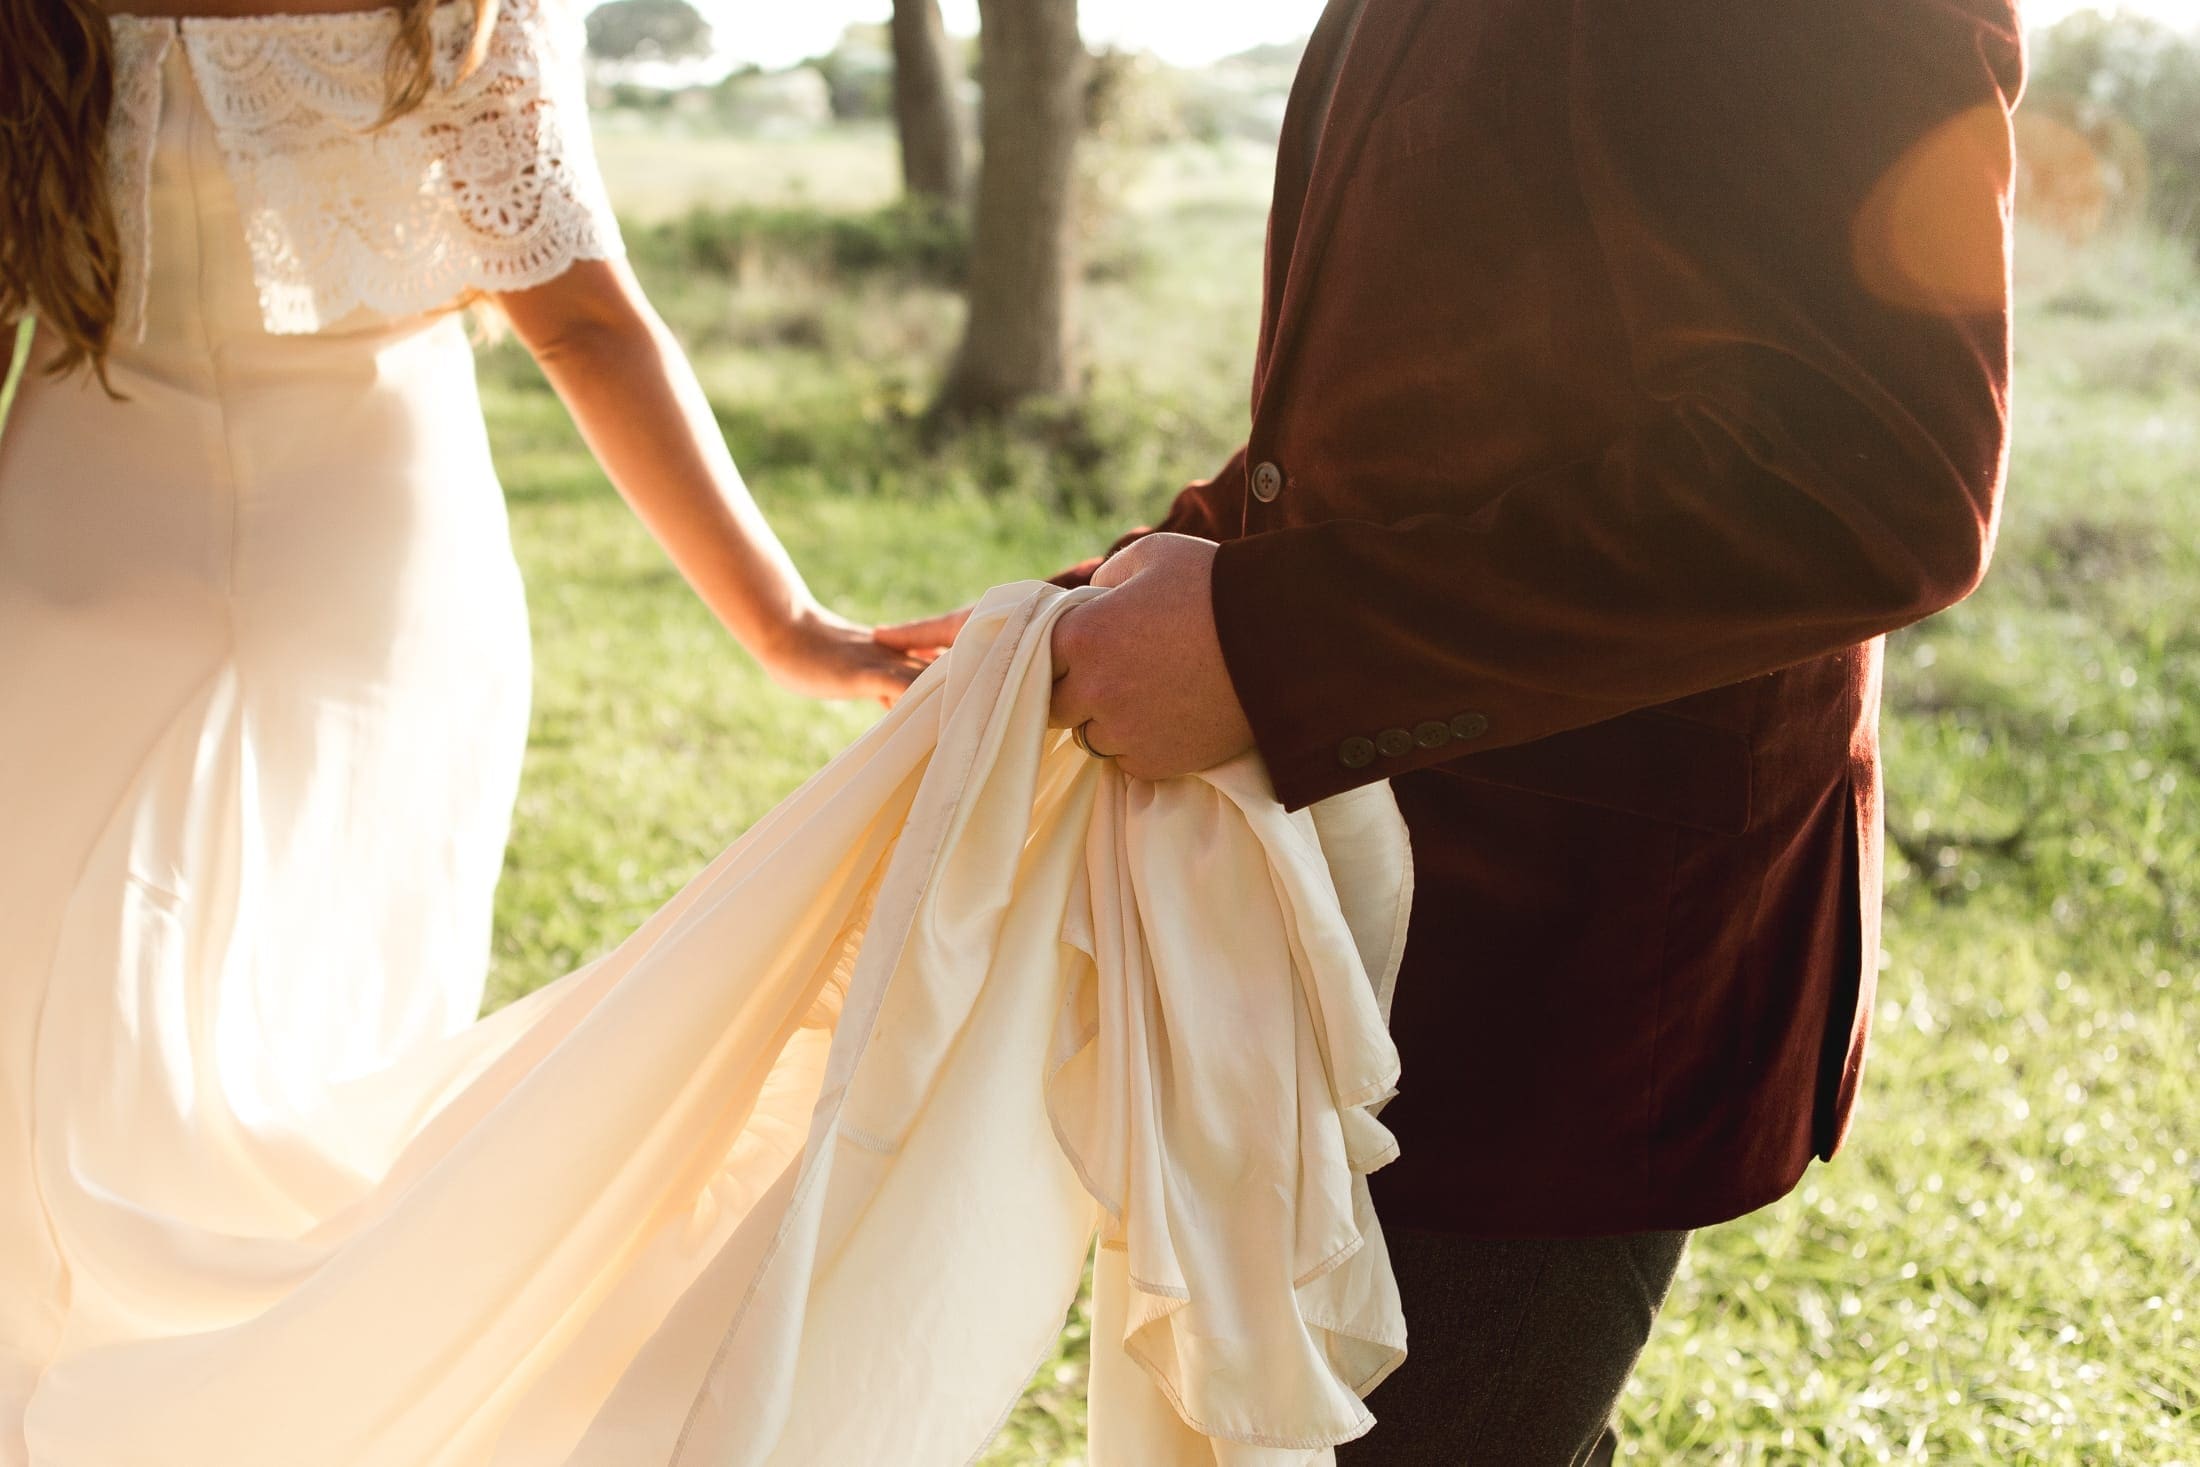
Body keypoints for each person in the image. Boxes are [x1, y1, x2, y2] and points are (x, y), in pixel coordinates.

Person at [883, 0, 2027, 1458]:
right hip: (1348, 920)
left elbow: (1865, 485)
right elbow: (1425, 413)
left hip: (1576, 967)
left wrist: (1273, 648)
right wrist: (1083, 618)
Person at [0, 0, 920, 1447]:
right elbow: (586, 325)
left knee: (40, 1013)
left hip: (69, 541)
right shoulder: (453, 11)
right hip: (360, 557)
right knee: (316, 1038)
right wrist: (784, 626)